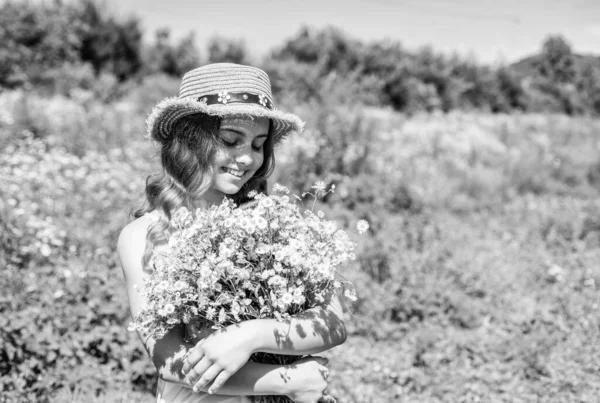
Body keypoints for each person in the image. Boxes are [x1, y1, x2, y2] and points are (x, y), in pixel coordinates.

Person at [117, 63, 347, 403]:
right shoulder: (144, 235)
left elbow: (332, 323)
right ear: (190, 138)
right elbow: (168, 360)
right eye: (230, 140)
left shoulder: (272, 224)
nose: (246, 158)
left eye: (257, 144)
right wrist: (287, 380)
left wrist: (252, 334)